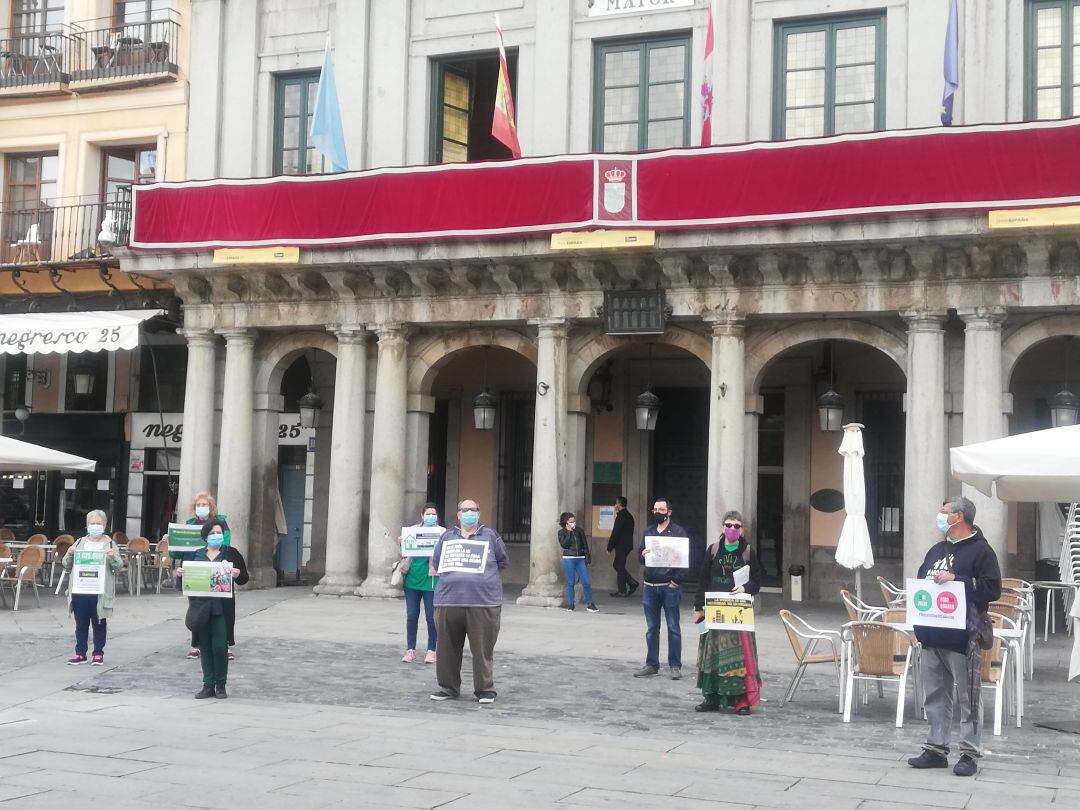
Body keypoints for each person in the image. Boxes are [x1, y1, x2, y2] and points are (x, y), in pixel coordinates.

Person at [907, 496, 1001, 777]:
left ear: (959, 516)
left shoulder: (982, 551)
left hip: (963, 635)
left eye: (944, 511)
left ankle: (969, 753)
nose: (939, 515)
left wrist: (959, 580)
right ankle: (936, 748)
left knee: (968, 696)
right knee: (935, 693)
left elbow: (992, 588)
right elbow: (923, 577)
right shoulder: (937, 549)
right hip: (932, 632)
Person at [430, 498, 509, 704]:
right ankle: (448, 687)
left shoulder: (490, 536)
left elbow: (502, 562)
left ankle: (485, 689)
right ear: (458, 514)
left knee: (482, 649)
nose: (469, 513)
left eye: (473, 509)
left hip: (483, 602)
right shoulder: (447, 537)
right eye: (465, 510)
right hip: (448, 601)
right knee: (446, 648)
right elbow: (436, 564)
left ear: (479, 513)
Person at [692, 510, 763, 714]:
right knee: (712, 656)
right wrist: (698, 607)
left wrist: (745, 588)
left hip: (738, 613)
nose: (733, 529)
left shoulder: (748, 552)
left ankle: (741, 701)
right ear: (723, 527)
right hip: (715, 610)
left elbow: (757, 580)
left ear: (742, 529)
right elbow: (703, 579)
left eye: (737, 526)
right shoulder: (713, 550)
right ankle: (712, 698)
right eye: (729, 525)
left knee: (739, 659)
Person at [176, 521, 248, 699]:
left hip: (222, 609)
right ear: (206, 536)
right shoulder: (195, 555)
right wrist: (180, 575)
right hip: (201, 608)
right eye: (213, 532)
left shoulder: (231, 553)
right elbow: (182, 585)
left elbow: (244, 579)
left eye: (219, 532)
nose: (217, 535)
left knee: (220, 646)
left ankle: (221, 684)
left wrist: (237, 575)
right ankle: (208, 684)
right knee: (205, 646)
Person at [166, 492, 231, 660]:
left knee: (221, 609)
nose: (201, 508)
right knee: (196, 608)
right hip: (193, 572)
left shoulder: (220, 524)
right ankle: (197, 645)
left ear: (211, 507)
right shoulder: (189, 525)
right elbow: (176, 552)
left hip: (215, 571)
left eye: (204, 505)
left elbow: (226, 544)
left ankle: (223, 643)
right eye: (198, 505)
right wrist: (171, 541)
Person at [634, 497, 688, 680]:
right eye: (655, 509)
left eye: (661, 509)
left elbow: (684, 560)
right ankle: (652, 664)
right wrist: (642, 554)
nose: (657, 512)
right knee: (652, 628)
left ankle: (675, 665)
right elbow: (640, 558)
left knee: (673, 626)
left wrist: (676, 582)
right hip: (650, 585)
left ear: (669, 512)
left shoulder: (678, 532)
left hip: (669, 586)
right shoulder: (648, 532)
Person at [62, 510, 124, 666]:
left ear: (104, 525)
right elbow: (66, 564)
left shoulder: (110, 543)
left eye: (99, 523)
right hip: (80, 590)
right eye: (92, 523)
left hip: (99, 592)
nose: (95, 526)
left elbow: (118, 565)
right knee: (81, 624)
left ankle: (98, 653)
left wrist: (111, 556)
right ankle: (80, 653)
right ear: (87, 525)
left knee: (99, 623)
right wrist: (69, 554)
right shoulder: (79, 542)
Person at [400, 503, 440, 664]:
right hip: (412, 578)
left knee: (431, 617)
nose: (431, 517)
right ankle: (410, 650)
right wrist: (401, 542)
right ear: (422, 516)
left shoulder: (442, 532)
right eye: (428, 514)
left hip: (431, 578)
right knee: (411, 615)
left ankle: (432, 650)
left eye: (434, 514)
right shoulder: (412, 531)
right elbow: (404, 551)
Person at [558, 511, 598, 613]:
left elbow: (584, 544)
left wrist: (587, 557)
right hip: (569, 558)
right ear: (566, 522)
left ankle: (590, 603)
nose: (573, 523)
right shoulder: (561, 532)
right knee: (571, 582)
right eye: (571, 521)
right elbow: (564, 545)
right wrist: (568, 532)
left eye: (574, 521)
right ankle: (571, 603)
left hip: (580, 558)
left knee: (586, 581)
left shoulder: (579, 531)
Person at [608, 496, 638, 597]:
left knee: (619, 566)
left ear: (620, 504)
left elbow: (615, 532)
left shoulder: (622, 516)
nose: (615, 505)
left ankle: (624, 589)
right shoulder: (628, 515)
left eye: (616, 503)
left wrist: (610, 546)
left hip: (622, 545)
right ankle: (630, 584)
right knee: (618, 565)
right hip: (626, 545)